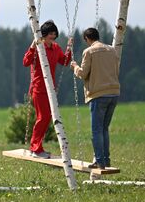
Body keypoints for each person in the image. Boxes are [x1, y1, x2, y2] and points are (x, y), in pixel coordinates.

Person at [70, 27, 120, 169]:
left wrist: (74, 66)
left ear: (87, 39)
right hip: (114, 92)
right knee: (104, 129)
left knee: (97, 130)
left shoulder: (89, 52)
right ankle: (106, 159)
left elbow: (83, 74)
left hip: (98, 94)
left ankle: (99, 161)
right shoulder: (112, 50)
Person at [23, 20, 73, 159]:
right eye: (50, 33)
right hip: (38, 87)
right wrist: (32, 46)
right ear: (43, 35)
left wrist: (69, 48)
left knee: (48, 117)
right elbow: (26, 62)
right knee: (43, 117)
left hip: (50, 87)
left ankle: (37, 147)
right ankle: (35, 149)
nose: (52, 36)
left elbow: (64, 61)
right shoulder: (39, 47)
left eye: (54, 33)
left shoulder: (56, 48)